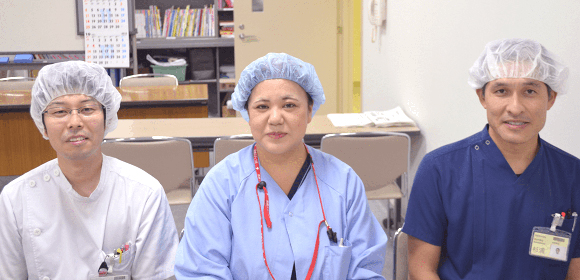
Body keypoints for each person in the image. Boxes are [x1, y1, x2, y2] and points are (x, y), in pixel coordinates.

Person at [174, 53, 387, 279]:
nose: (275, 118)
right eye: (262, 107)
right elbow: (202, 271)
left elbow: (366, 269)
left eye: (289, 105)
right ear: (247, 113)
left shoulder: (343, 182)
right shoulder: (221, 184)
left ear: (309, 110)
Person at [403, 38, 580, 279]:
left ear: (550, 98)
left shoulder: (572, 175)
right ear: (483, 97)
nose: (515, 107)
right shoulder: (440, 170)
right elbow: (421, 269)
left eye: (530, 91)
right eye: (501, 91)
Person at [0, 61, 178, 279]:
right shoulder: (16, 199)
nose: (74, 122)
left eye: (87, 109)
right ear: (42, 124)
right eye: (59, 111)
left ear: (107, 117)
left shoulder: (144, 194)